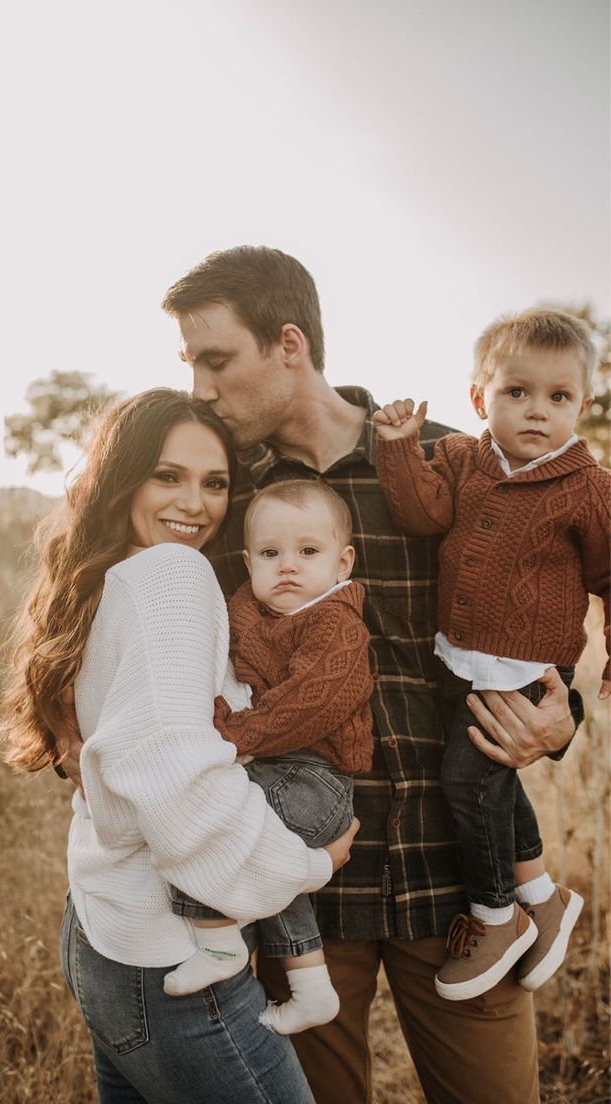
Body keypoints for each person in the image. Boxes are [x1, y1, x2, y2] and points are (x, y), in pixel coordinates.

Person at [151, 246, 583, 1104]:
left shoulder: (447, 461)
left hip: (458, 886)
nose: (200, 387)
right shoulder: (225, 500)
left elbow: (542, 597)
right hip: (299, 888)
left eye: (215, 359)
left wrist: (561, 719)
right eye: (190, 365)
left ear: (287, 345)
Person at [0, 388, 359, 1104]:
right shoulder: (174, 575)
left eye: (215, 482)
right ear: (123, 476)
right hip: (173, 958)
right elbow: (177, 782)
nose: (196, 503)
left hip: (105, 934)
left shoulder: (109, 577)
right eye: (169, 476)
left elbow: (128, 759)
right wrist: (304, 863)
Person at [373, 309, 609, 1004]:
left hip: (528, 672)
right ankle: (545, 897)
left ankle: (496, 915)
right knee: (495, 780)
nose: (537, 412)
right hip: (460, 658)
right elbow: (422, 512)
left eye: (558, 398)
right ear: (480, 397)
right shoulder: (460, 459)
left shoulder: (588, 488)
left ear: (582, 407)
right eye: (518, 392)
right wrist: (398, 448)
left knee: (468, 783)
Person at [164, 478, 374, 1037]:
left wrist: (233, 733)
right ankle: (311, 987)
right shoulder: (246, 610)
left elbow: (308, 704)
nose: (287, 566)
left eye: (308, 552)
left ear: (342, 562)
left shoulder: (338, 625)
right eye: (270, 553)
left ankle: (216, 936)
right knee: (272, 869)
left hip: (317, 782)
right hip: (279, 769)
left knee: (218, 814)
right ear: (248, 559)